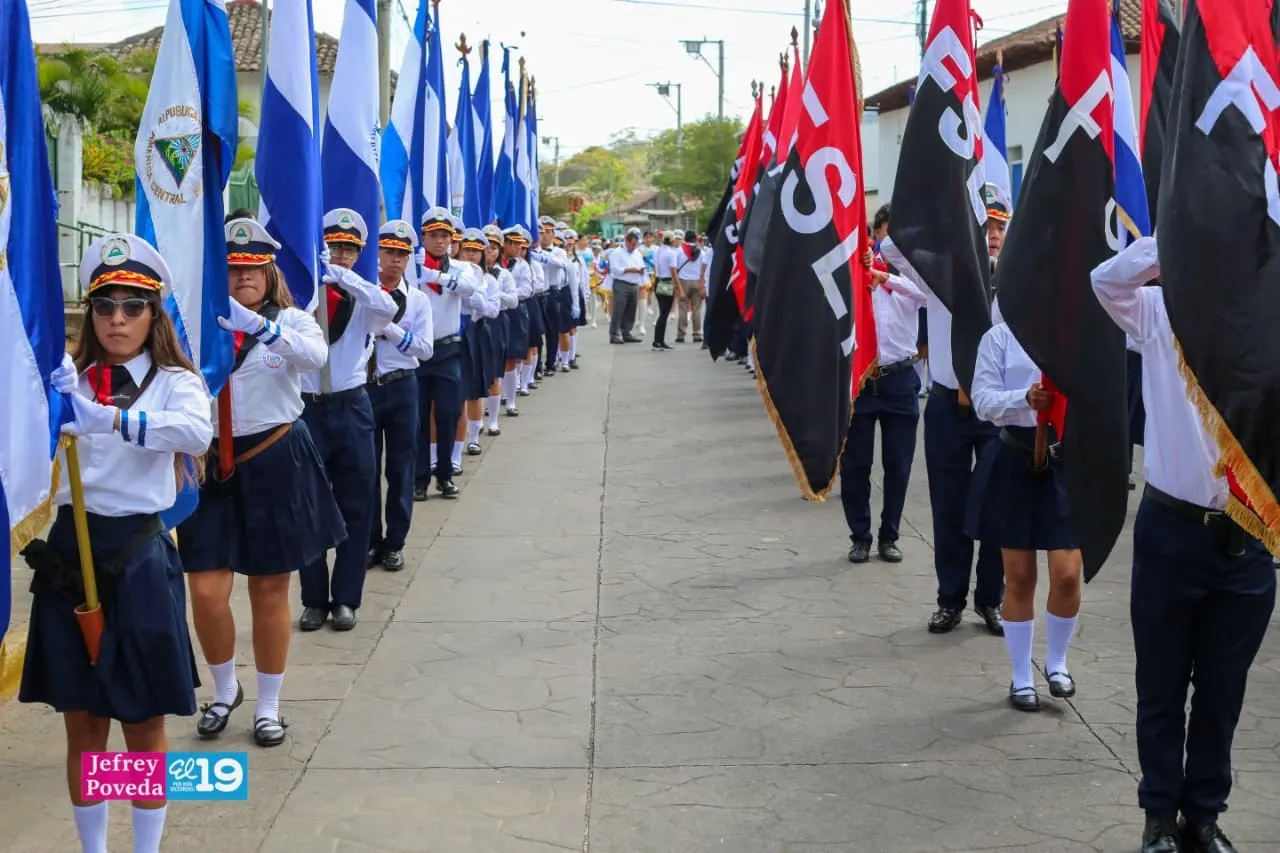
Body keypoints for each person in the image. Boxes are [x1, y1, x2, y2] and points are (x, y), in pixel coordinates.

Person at [20, 233, 213, 853]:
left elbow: (195, 433)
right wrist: (40, 400)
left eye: (133, 306)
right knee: (83, 722)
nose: (118, 320)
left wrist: (114, 419)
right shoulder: (66, 379)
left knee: (143, 719)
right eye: (105, 307)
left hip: (137, 556)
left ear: (153, 314)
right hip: (72, 557)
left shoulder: (174, 383)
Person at [1093, 237, 1275, 853]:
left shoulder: (1266, 320)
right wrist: (1172, 236)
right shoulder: (1158, 312)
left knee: (1223, 691)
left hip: (1248, 540)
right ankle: (1157, 816)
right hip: (1172, 531)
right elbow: (1105, 283)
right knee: (1163, 685)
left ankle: (1203, 815)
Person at [179, 218, 344, 748]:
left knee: (270, 588)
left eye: (251, 268)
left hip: (273, 457)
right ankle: (225, 690)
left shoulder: (294, 320)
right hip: (210, 466)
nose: (241, 277)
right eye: (230, 268)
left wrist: (257, 326)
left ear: (269, 271)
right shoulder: (193, 325)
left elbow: (316, 359)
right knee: (205, 590)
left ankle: (270, 705)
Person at [881, 188, 1006, 637]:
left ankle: (991, 598)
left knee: (996, 507)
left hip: (998, 412)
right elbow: (891, 245)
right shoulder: (939, 272)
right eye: (984, 227)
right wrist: (945, 216)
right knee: (948, 506)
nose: (992, 236)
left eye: (999, 228)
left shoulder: (1017, 279)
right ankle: (950, 598)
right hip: (947, 405)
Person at [967, 321, 1081, 713]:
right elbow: (982, 400)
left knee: (1067, 574)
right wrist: (1025, 399)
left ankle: (1057, 663)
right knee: (1019, 576)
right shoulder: (998, 338)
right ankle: (1020, 675)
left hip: (1065, 459)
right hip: (1015, 458)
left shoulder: (1075, 334)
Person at [298, 208, 398, 632]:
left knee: (358, 503)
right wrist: (317, 279)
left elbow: (388, 308)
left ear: (358, 253)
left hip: (351, 404)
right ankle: (314, 600)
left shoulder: (362, 294)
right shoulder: (303, 289)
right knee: (308, 505)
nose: (339, 255)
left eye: (348, 249)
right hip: (306, 407)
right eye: (333, 247)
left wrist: (343, 278)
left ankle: (346, 599)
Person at [842, 246, 927, 564]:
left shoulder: (905, 280)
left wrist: (885, 277)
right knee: (855, 465)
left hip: (899, 380)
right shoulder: (849, 285)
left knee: (898, 465)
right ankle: (859, 536)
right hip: (861, 384)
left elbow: (925, 295)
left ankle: (889, 536)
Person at [367, 220, 434, 572]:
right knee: (365, 471)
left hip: (402, 386)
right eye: (389, 252)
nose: (395, 260)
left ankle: (395, 542)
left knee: (400, 468)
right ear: (377, 253)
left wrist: (389, 330)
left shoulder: (418, 300)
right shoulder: (362, 293)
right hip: (366, 387)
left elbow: (424, 350)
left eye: (402, 254)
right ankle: (369, 541)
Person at [414, 206, 481, 501]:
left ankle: (444, 474)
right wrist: (419, 271)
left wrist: (434, 275)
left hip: (447, 349)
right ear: (423, 237)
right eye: (433, 235)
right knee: (417, 418)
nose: (440, 241)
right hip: (415, 352)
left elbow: (469, 288)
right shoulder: (411, 266)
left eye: (445, 236)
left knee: (447, 413)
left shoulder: (461, 267)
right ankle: (419, 478)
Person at [501, 226, 534, 409]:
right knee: (498, 357)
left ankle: (511, 401)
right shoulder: (495, 265)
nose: (516, 248)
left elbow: (526, 290)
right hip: (497, 312)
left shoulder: (522, 265)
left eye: (518, 244)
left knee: (512, 357)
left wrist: (508, 294)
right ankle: (497, 397)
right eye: (512, 243)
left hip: (514, 311)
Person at [608, 228, 646, 344]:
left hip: (634, 283)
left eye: (635, 244)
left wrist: (641, 273)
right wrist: (629, 270)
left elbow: (641, 265)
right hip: (621, 283)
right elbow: (614, 270)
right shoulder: (617, 253)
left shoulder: (637, 253)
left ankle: (626, 332)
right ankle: (615, 333)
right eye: (632, 244)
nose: (633, 247)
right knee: (619, 309)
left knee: (631, 309)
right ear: (627, 241)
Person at [674, 229, 705, 344]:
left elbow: (675, 267)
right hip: (697, 281)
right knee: (696, 309)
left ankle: (681, 334)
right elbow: (704, 269)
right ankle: (697, 333)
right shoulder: (701, 252)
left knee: (683, 308)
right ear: (695, 239)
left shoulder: (679, 251)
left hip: (683, 281)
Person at [651, 232, 679, 350]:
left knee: (662, 311)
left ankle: (659, 339)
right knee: (664, 312)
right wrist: (678, 287)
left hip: (658, 280)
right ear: (672, 241)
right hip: (667, 282)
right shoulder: (671, 253)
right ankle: (658, 340)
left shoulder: (657, 251)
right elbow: (673, 271)